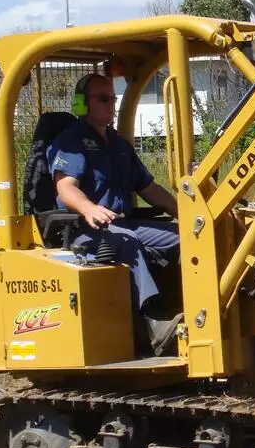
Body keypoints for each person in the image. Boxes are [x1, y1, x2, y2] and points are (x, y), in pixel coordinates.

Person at [47, 72, 183, 356]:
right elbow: (65, 187)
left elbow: (148, 187)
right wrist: (89, 208)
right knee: (126, 243)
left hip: (124, 223)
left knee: (187, 237)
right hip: (86, 231)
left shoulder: (119, 145)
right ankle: (154, 325)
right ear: (83, 104)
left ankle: (190, 308)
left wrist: (187, 212)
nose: (112, 104)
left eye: (114, 98)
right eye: (104, 98)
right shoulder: (71, 142)